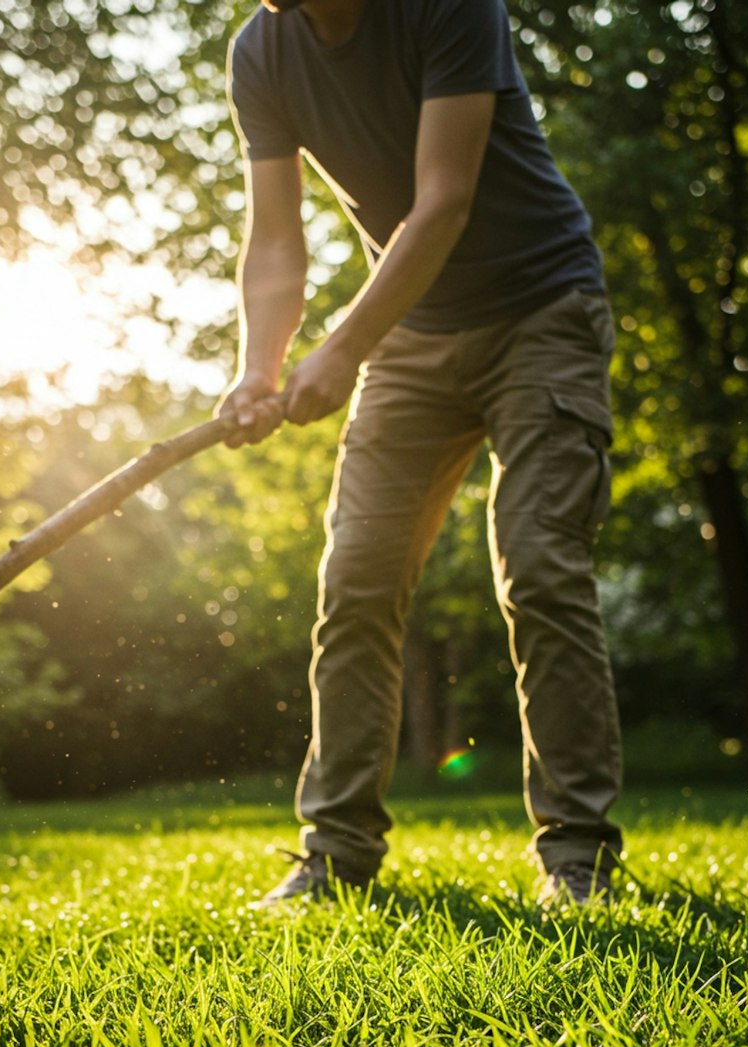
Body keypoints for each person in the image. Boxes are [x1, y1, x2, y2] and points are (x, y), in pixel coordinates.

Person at [218, 0, 623, 907]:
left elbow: (445, 198)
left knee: (539, 568)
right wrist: (260, 366)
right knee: (355, 582)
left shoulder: (448, 6)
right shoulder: (261, 50)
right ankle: (335, 855)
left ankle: (578, 857)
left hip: (541, 310)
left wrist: (344, 348)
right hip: (411, 334)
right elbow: (276, 234)